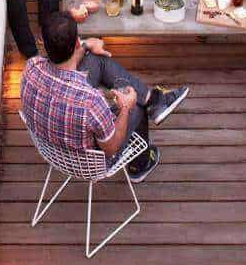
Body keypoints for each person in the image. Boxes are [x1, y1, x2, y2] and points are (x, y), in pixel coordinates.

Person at [21, 12, 189, 183]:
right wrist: (125, 108)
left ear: (44, 45)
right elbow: (111, 148)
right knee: (136, 105)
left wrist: (87, 45)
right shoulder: (91, 102)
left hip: (52, 148)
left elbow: (64, 64)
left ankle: (154, 101)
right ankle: (139, 165)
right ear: (76, 42)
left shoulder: (32, 67)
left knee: (96, 60)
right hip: (89, 163)